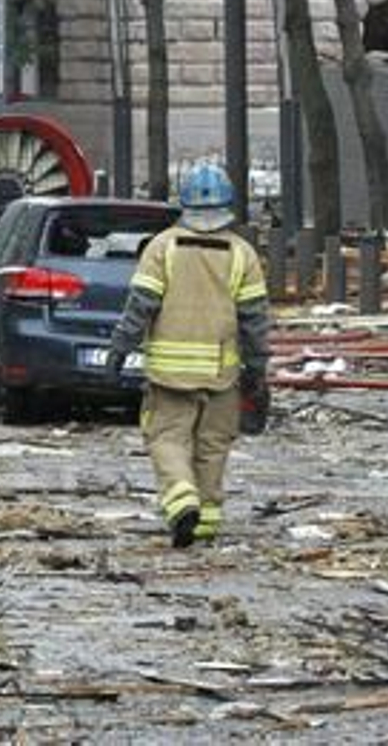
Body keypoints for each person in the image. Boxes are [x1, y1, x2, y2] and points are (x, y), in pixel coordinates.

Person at [106, 163, 271, 549]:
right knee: (213, 445)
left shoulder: (162, 248)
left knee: (167, 439)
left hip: (169, 375)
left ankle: (181, 502)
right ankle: (207, 523)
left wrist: (119, 349)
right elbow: (255, 322)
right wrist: (257, 368)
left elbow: (140, 307)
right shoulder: (242, 254)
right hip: (221, 375)